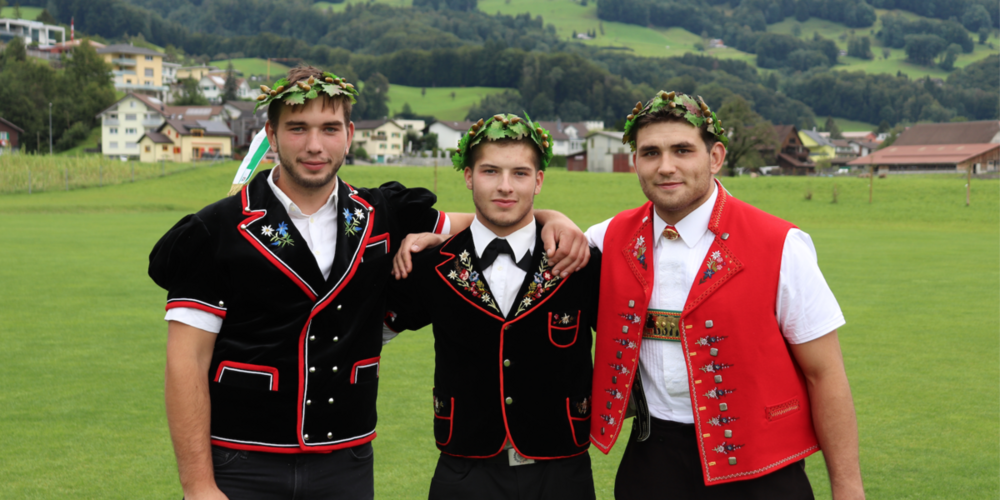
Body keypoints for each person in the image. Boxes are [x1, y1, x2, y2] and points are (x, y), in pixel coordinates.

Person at [147, 67, 589, 500]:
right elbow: (185, 363)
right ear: (272, 133)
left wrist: (553, 218)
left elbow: (496, 218)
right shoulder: (215, 230)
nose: (315, 145)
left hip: (346, 464)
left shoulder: (382, 213)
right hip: (241, 466)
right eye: (298, 128)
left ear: (350, 134)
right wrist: (199, 487)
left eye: (330, 128)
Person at [586, 91, 865, 499]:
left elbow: (824, 374)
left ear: (715, 157)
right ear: (635, 163)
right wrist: (550, 216)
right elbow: (517, 229)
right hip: (652, 463)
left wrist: (847, 488)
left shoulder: (781, 244)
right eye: (651, 153)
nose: (666, 167)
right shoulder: (605, 237)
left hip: (761, 470)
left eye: (682, 150)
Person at [383, 114, 600, 500]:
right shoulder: (432, 265)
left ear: (539, 180)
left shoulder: (578, 261)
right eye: (489, 171)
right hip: (464, 468)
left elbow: (633, 342)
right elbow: (361, 335)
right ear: (468, 176)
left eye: (519, 173)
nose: (504, 187)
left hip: (562, 470)